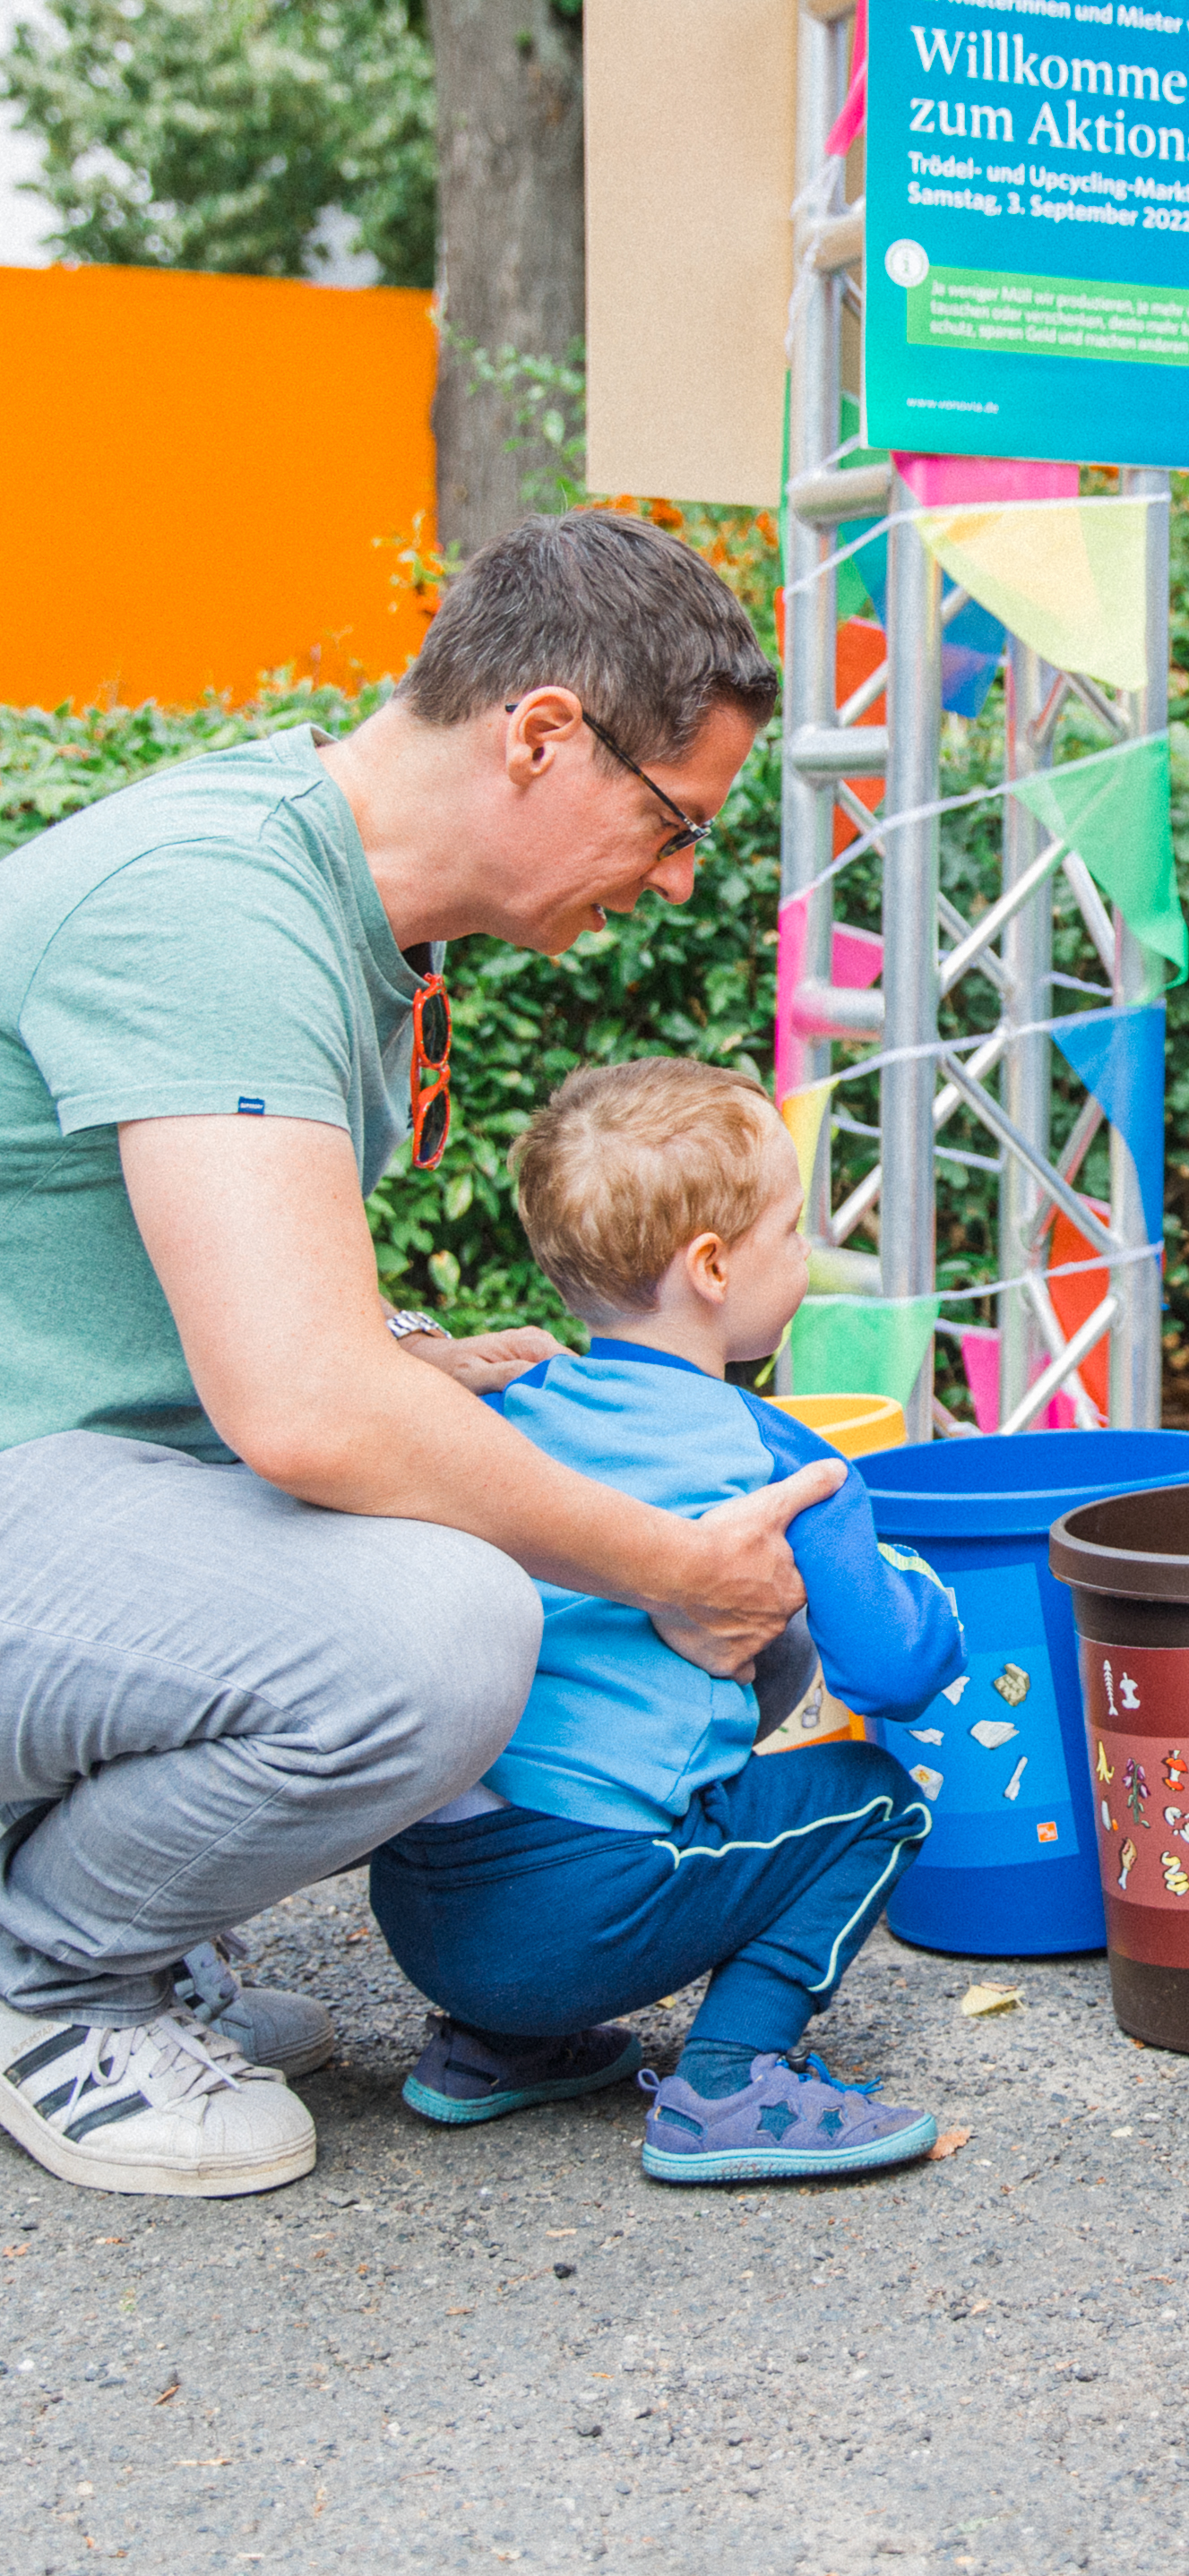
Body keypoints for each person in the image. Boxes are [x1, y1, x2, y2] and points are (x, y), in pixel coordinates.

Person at [0, 510, 847, 2200]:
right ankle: (53, 1981)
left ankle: (111, 1926)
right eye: (675, 822)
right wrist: (671, 1561)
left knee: (499, 1509)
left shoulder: (334, 906)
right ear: (542, 734)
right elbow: (306, 1410)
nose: (679, 880)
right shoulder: (217, 911)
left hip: (62, 1488)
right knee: (445, 1626)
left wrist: (405, 1355)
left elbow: (192, 1292)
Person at [369, 1058, 965, 2185]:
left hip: (422, 1911)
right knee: (873, 1800)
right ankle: (731, 2083)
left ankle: (494, 2048)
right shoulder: (782, 1459)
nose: (803, 1257)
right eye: (789, 1232)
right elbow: (893, 1670)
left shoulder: (497, 1414)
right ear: (711, 1268)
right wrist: (923, 1589)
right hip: (575, 1916)